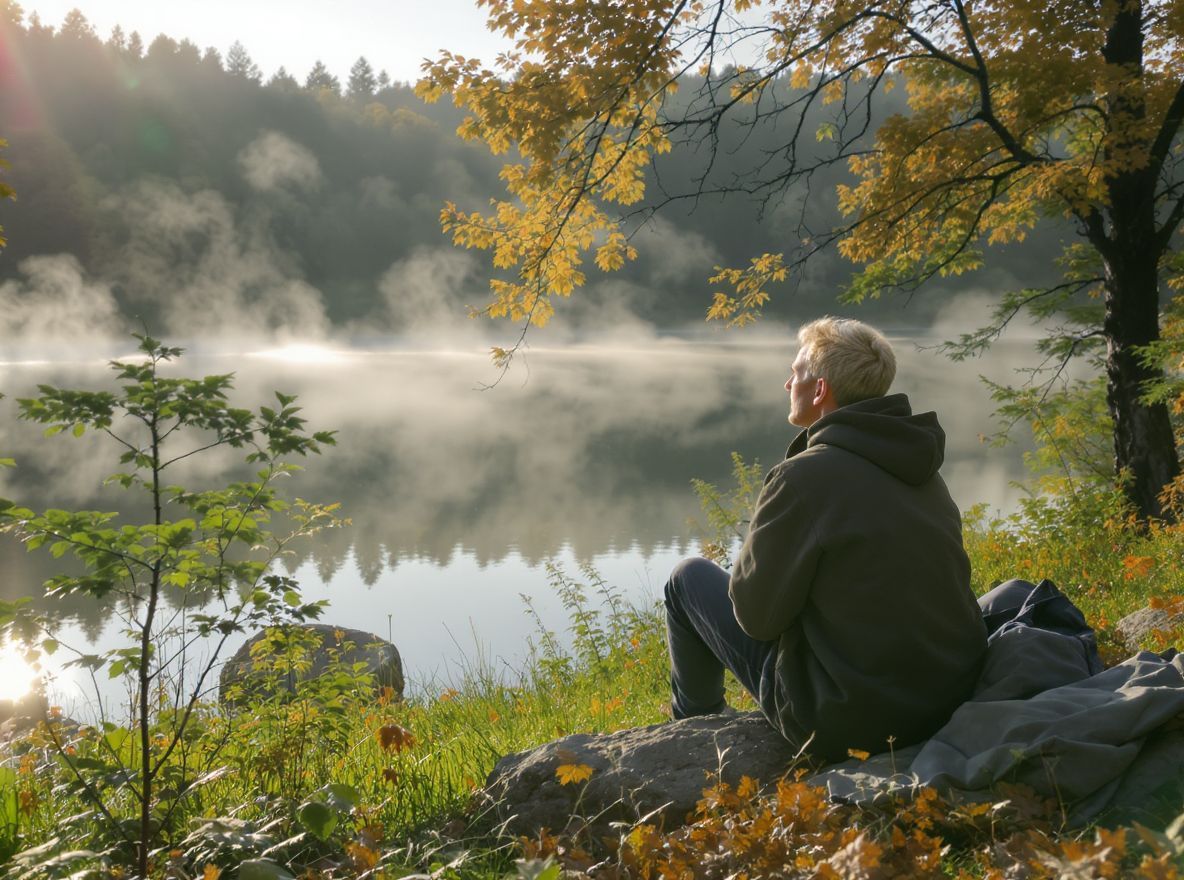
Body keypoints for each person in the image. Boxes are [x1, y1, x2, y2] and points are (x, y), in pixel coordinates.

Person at [664, 317, 988, 761]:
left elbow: (756, 620)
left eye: (795, 373)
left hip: (848, 719)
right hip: (947, 695)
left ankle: (694, 731)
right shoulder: (922, 469)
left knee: (687, 579)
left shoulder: (802, 478)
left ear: (819, 391)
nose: (786, 383)